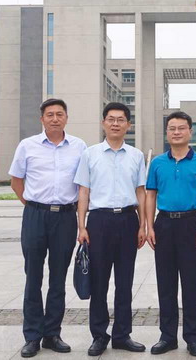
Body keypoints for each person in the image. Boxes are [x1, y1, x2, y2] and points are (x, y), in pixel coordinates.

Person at [9, 98, 87, 358]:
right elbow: (16, 181)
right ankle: (32, 336)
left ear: (66, 118)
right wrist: (32, 204)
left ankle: (52, 334)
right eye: (50, 114)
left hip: (65, 217)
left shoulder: (79, 146)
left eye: (59, 114)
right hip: (35, 215)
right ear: (42, 119)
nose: (55, 118)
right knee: (33, 276)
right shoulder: (27, 145)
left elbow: (83, 185)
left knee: (58, 278)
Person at [74, 102, 147, 357]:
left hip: (128, 221)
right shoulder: (90, 154)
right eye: (111, 119)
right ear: (103, 123)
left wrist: (143, 225)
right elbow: (83, 191)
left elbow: (141, 192)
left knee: (125, 282)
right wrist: (81, 226)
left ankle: (122, 335)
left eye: (121, 119)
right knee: (99, 282)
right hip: (99, 222)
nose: (115, 123)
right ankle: (99, 335)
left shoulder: (136, 155)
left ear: (128, 124)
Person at [145, 111, 196, 357]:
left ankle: (194, 338)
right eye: (172, 128)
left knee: (191, 283)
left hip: (191, 224)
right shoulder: (157, 163)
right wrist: (149, 226)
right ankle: (167, 337)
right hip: (164, 224)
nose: (176, 132)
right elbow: (150, 195)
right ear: (167, 132)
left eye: (181, 128)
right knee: (166, 283)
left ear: (190, 132)